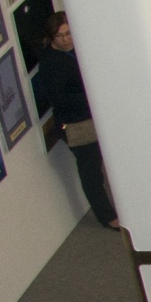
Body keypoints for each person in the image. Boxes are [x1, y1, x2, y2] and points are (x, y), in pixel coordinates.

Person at [33, 12, 118, 225]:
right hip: (77, 124)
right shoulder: (50, 64)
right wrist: (91, 96)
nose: (66, 39)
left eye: (68, 33)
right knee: (91, 172)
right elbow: (59, 100)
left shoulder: (77, 49)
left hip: (94, 116)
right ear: (51, 38)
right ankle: (107, 217)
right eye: (60, 36)